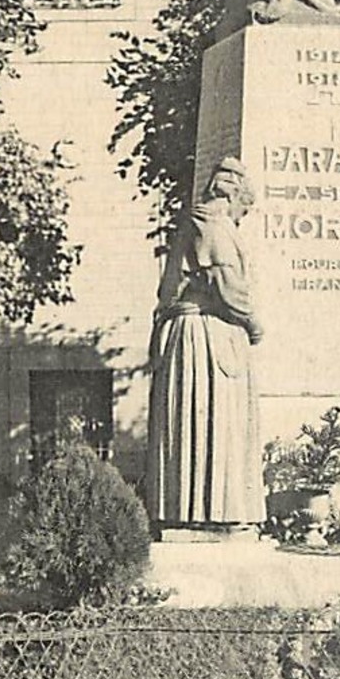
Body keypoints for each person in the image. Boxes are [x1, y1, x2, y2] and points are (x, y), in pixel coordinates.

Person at [147, 158, 265, 528]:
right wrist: (253, 323)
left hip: (199, 333)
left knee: (205, 424)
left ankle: (203, 514)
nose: (242, 218)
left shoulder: (196, 222)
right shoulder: (212, 225)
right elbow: (228, 286)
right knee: (211, 422)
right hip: (204, 335)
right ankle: (208, 515)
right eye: (243, 209)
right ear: (232, 197)